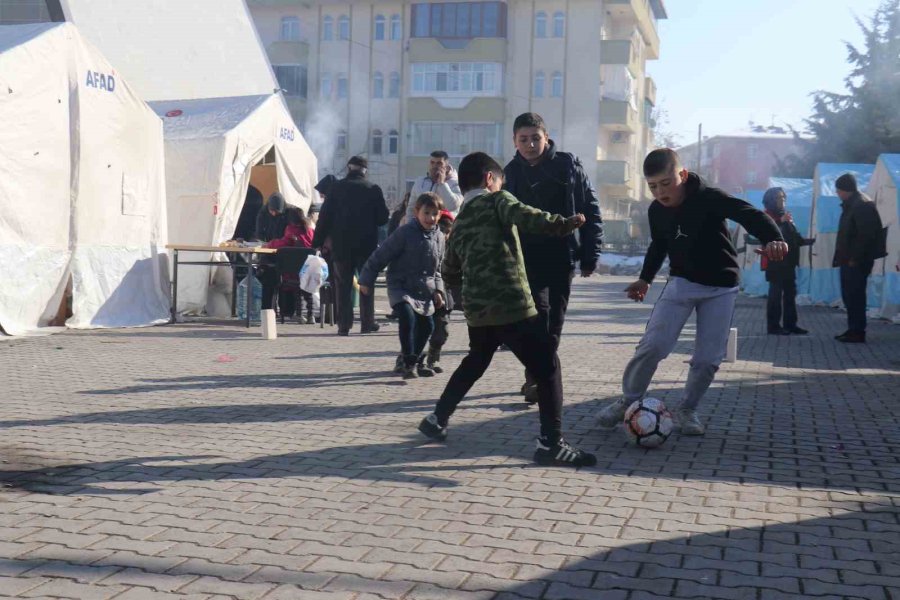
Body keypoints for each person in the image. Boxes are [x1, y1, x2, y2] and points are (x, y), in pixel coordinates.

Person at [417, 151, 596, 468]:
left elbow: (449, 270)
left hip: (479, 313)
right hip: (512, 305)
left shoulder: (460, 222)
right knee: (548, 367)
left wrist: (467, 294)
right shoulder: (497, 200)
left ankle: (437, 418)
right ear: (490, 179)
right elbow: (528, 216)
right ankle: (551, 444)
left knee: (475, 361)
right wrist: (565, 224)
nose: (501, 186)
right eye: (500, 182)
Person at [597, 149, 787, 436]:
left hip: (721, 287)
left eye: (666, 183)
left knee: (708, 358)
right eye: (653, 186)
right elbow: (659, 245)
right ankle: (628, 400)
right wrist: (645, 279)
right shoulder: (656, 210)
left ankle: (687, 409)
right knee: (653, 345)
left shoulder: (709, 197)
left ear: (683, 175)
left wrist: (774, 238)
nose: (660, 192)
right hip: (681, 284)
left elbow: (748, 214)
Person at [502, 112, 603, 404]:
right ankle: (537, 378)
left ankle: (538, 377)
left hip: (561, 256)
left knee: (554, 324)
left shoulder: (567, 166)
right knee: (536, 320)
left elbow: (590, 209)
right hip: (527, 260)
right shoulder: (510, 174)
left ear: (546, 137)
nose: (530, 145)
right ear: (514, 141)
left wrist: (590, 254)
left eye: (536, 138)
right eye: (524, 139)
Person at [359, 192, 446, 379]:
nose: (430, 218)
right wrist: (366, 279)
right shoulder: (405, 233)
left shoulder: (440, 237)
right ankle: (407, 359)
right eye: (426, 213)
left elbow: (438, 269)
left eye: (435, 214)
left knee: (427, 326)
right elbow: (381, 255)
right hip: (401, 286)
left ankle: (414, 359)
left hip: (425, 289)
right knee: (407, 316)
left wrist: (439, 290)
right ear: (417, 212)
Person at [312, 156, 390, 336]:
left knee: (343, 285)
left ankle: (344, 326)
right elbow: (382, 218)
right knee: (366, 283)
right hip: (366, 246)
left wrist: (317, 242)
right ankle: (367, 323)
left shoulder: (335, 188)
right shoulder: (373, 189)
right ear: (365, 171)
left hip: (341, 246)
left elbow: (324, 217)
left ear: (349, 168)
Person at [833, 173, 887, 343]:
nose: (837, 194)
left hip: (856, 260)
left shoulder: (862, 205)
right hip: (849, 258)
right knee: (849, 295)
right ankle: (852, 329)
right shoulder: (854, 204)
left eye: (838, 190)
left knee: (855, 295)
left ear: (845, 190)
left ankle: (857, 331)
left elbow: (866, 235)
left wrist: (855, 258)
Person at [761, 187, 815, 335]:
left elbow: (794, 236)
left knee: (790, 294)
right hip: (774, 262)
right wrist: (781, 222)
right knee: (775, 295)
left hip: (788, 263)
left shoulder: (784, 216)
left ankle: (790, 324)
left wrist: (808, 241)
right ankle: (773, 326)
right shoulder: (766, 216)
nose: (782, 200)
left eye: (784, 197)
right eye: (779, 198)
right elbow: (767, 234)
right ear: (772, 200)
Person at [262, 206, 316, 322]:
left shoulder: (291, 230)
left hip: (294, 273)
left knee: (289, 283)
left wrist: (269, 244)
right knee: (307, 291)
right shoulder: (310, 231)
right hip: (310, 272)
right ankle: (310, 315)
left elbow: (282, 243)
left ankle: (298, 314)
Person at [425, 209, 460, 373]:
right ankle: (408, 358)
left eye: (448, 231)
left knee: (442, 330)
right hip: (425, 293)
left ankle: (433, 359)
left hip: (445, 295)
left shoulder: (455, 246)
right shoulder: (427, 243)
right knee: (420, 330)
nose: (445, 235)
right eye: (442, 230)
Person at [405, 150, 463, 221]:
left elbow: (452, 206)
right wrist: (411, 224)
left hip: (445, 225)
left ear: (446, 165)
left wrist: (442, 184)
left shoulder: (455, 183)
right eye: (432, 162)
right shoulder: (420, 182)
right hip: (422, 225)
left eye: (439, 163)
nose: (435, 166)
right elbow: (411, 208)